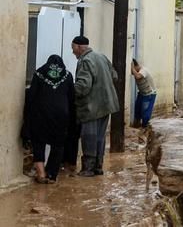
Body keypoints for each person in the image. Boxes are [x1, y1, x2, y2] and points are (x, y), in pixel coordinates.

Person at [21, 55, 76, 184]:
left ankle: (41, 174)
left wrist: (27, 114)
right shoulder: (67, 75)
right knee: (58, 145)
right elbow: (72, 97)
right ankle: (51, 175)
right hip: (61, 115)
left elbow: (31, 95)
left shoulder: (39, 73)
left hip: (41, 114)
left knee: (38, 142)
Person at [72, 36, 120, 177]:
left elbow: (83, 86)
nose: (72, 52)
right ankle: (98, 167)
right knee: (100, 137)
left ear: (80, 47)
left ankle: (88, 169)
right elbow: (114, 76)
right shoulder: (101, 57)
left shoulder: (85, 61)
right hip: (106, 105)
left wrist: (69, 92)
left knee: (89, 137)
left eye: (73, 48)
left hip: (91, 107)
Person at [131, 59, 157, 128]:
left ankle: (145, 127)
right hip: (142, 93)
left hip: (149, 94)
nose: (131, 72)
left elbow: (138, 76)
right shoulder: (136, 71)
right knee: (137, 110)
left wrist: (132, 68)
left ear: (135, 66)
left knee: (145, 113)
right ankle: (138, 126)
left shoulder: (143, 70)